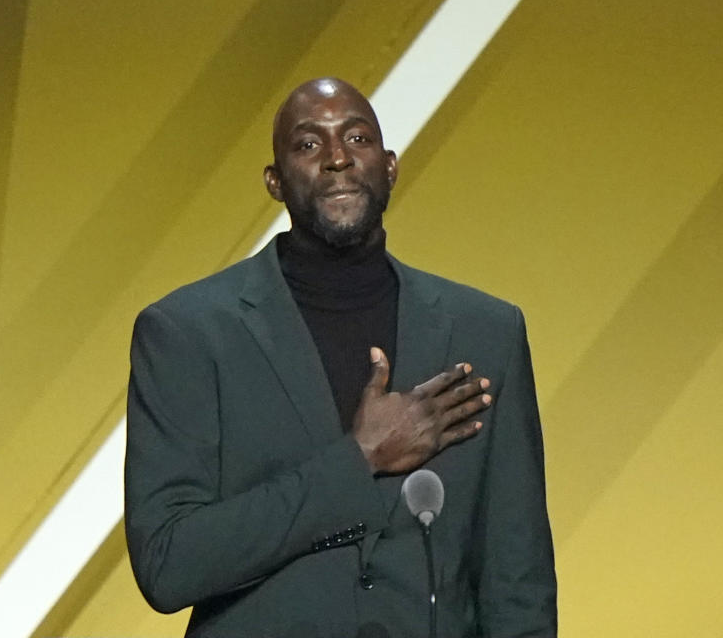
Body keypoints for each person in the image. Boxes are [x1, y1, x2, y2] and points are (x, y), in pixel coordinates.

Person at [125, 77, 557, 637]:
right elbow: (168, 563)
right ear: (275, 182)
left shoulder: (485, 332)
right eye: (308, 144)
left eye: (357, 138)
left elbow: (516, 578)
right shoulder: (187, 333)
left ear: (391, 166)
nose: (336, 159)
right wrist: (359, 461)